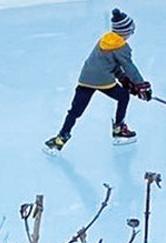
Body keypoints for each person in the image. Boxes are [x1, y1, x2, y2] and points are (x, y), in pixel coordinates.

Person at [45, 8, 152, 152]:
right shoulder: (121, 46)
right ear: (126, 32)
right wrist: (140, 85)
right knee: (123, 96)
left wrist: (124, 80)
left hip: (86, 78)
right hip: (103, 81)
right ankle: (119, 129)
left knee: (75, 111)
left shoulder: (105, 39)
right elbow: (129, 66)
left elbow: (109, 63)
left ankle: (60, 138)